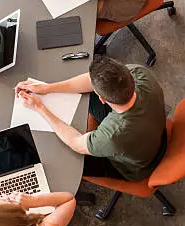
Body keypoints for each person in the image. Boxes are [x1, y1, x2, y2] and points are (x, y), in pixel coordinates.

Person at [15, 56, 167, 182]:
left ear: (101, 99)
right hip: (154, 132)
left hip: (134, 168)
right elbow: (90, 81)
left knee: (65, 159)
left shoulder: (113, 135)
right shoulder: (140, 73)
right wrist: (47, 88)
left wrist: (40, 108)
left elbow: (75, 142)